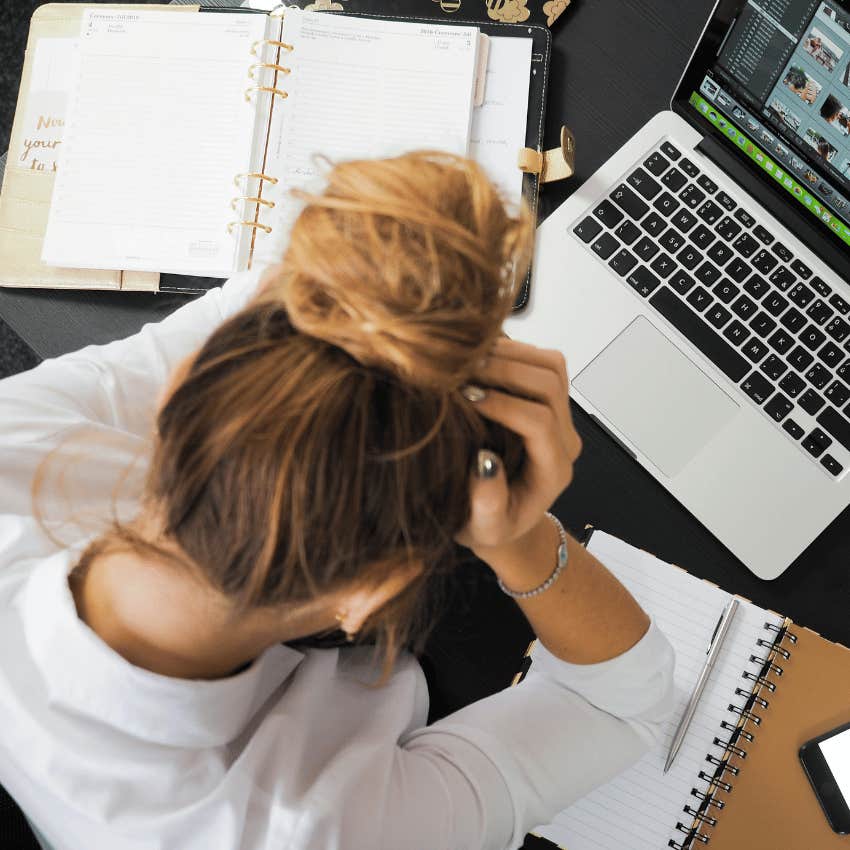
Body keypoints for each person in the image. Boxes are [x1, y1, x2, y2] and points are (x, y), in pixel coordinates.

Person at [0, 152, 674, 850]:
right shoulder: (316, 831)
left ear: (173, 395)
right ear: (369, 595)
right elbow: (619, 703)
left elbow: (264, 300)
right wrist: (521, 536)